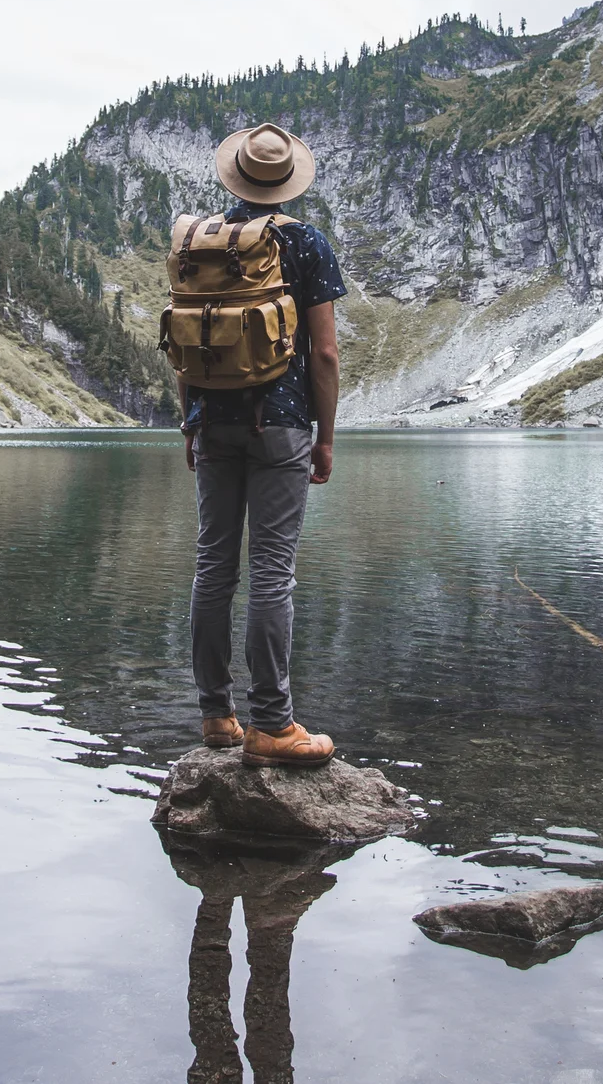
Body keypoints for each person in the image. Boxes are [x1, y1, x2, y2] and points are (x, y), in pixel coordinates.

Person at [180, 123, 346, 768]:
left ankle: (216, 716)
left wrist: (190, 421)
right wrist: (324, 437)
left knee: (213, 566)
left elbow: (186, 340)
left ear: (237, 176)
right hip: (281, 424)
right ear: (288, 182)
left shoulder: (203, 242)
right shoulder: (304, 242)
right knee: (272, 572)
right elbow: (324, 353)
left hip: (211, 422)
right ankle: (272, 725)